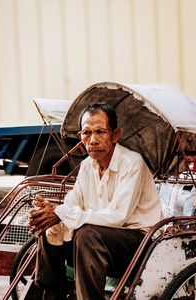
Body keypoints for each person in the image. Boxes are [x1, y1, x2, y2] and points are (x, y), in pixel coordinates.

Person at [28, 102, 162, 300]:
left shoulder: (132, 163)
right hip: (101, 241)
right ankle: (52, 293)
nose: (93, 140)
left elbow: (118, 217)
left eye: (100, 132)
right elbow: (73, 203)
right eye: (86, 133)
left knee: (86, 234)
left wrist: (60, 212)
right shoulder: (87, 166)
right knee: (50, 228)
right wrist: (49, 212)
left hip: (139, 243)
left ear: (115, 135)